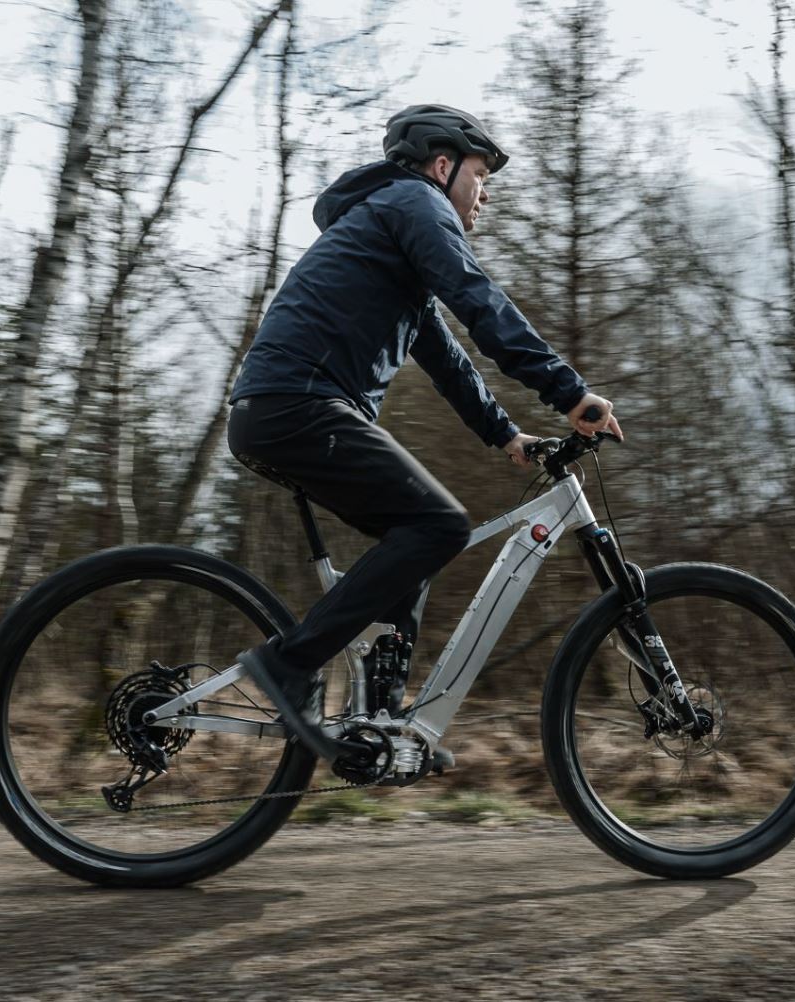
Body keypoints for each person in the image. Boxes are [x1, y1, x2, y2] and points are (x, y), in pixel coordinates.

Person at [225, 103, 622, 758]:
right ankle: (289, 664)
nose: (483, 194)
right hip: (299, 405)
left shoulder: (391, 229)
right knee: (436, 526)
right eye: (479, 175)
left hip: (289, 408)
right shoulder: (414, 202)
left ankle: (376, 725)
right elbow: (476, 297)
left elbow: (446, 358)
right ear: (442, 166)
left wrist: (505, 435)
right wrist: (568, 391)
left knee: (413, 535)